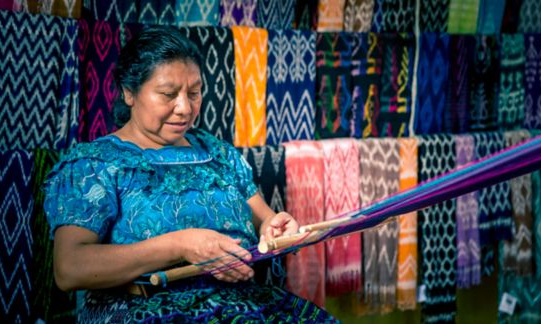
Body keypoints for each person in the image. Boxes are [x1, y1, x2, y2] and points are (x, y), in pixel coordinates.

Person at [44, 26, 337, 322]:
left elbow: (264, 219)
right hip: (146, 311)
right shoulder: (95, 165)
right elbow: (69, 269)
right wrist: (182, 245)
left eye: (194, 93)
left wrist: (274, 227)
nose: (185, 108)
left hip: (244, 306)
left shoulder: (218, 154)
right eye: (168, 94)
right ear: (129, 92)